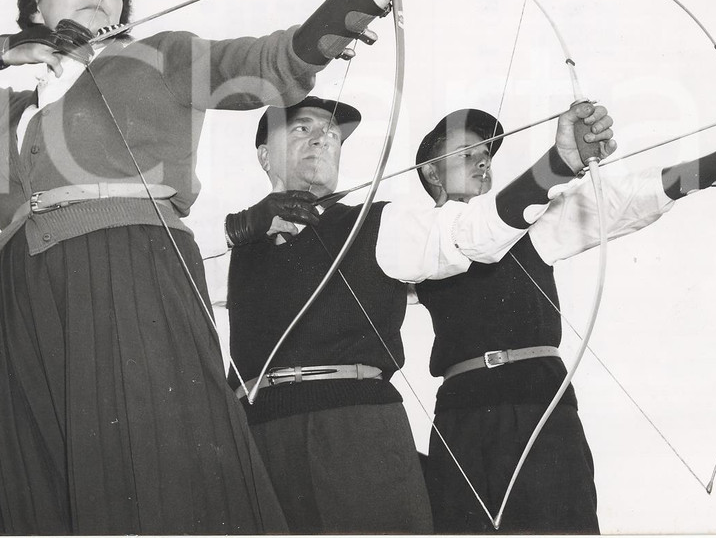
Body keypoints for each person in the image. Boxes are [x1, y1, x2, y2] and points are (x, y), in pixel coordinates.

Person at [0, 0, 422, 535]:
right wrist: (2, 49)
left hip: (129, 266)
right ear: (35, 4)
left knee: (152, 472)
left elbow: (271, 65)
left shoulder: (158, 56)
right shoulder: (8, 109)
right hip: (19, 291)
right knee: (40, 481)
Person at [218, 96, 607, 533]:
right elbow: (172, 274)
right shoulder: (236, 239)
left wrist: (558, 164)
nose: (322, 138)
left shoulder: (380, 223)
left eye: (330, 133)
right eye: (301, 128)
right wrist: (244, 227)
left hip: (351, 431)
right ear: (264, 155)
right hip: (255, 435)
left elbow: (471, 233)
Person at [412, 104, 716, 534]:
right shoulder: (409, 240)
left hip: (540, 406)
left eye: (486, 154)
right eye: (467, 152)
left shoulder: (532, 221)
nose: (483, 161)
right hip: (460, 414)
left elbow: (633, 196)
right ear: (432, 173)